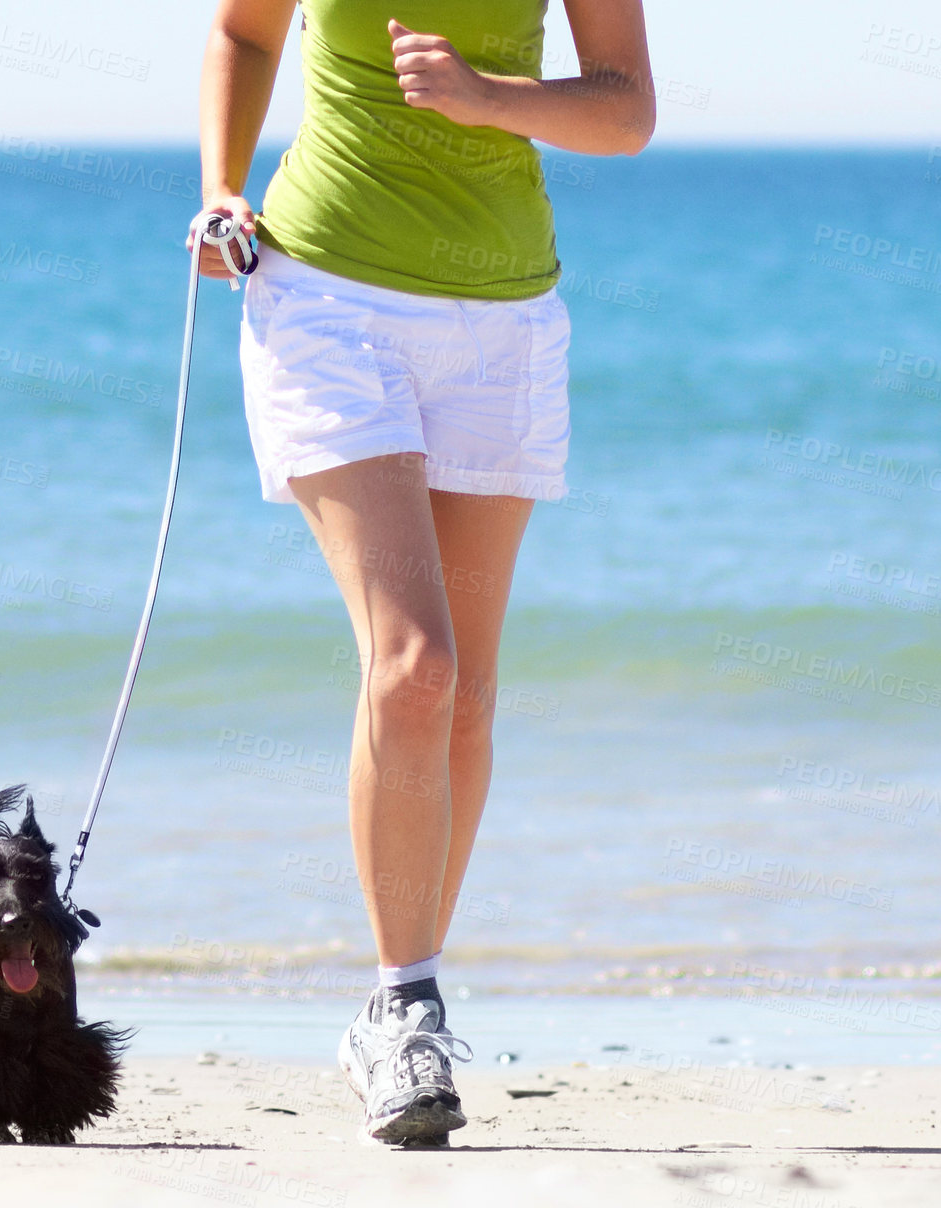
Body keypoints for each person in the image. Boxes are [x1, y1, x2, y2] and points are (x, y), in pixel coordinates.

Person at [192, 1, 655, 1145]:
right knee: (414, 665)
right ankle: (409, 1004)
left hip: (503, 320)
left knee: (466, 698)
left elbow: (625, 107)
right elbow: (243, 34)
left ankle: (398, 1000)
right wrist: (223, 187)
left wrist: (494, 101)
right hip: (327, 301)